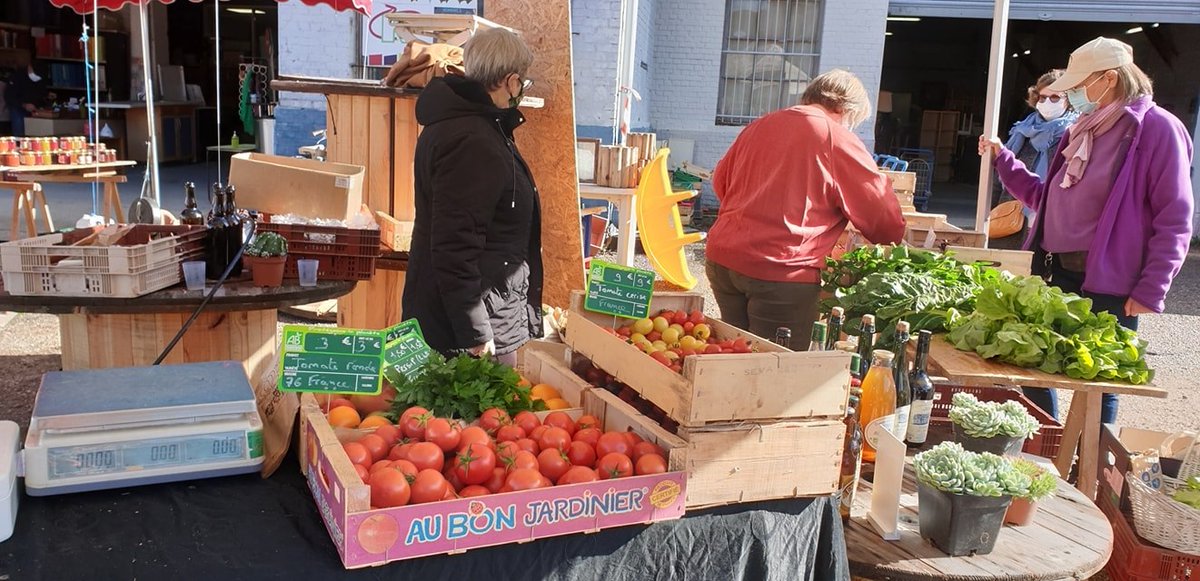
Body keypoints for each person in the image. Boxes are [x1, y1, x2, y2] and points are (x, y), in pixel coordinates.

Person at [980, 37, 1194, 422]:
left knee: (1098, 381)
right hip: (1054, 269)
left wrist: (1152, 288)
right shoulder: (1082, 128)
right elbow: (1048, 196)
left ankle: (1090, 466)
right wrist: (1004, 160)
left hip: (1109, 283)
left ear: (1109, 78)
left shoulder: (1158, 129)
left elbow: (1175, 216)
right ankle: (1050, 445)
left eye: (1079, 86)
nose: (1073, 95)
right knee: (1032, 364)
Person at [706, 69, 907, 345]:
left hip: (724, 259)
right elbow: (884, 223)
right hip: (781, 270)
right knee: (778, 370)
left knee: (732, 356)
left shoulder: (761, 124)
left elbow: (720, 182)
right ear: (846, 110)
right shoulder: (834, 136)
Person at [401, 28, 543, 366]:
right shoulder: (472, 141)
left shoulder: (474, 126)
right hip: (469, 326)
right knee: (474, 417)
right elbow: (455, 244)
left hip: (482, 309)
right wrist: (476, 333)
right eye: (523, 82)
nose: (522, 89)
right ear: (510, 81)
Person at [990, 70, 1077, 250]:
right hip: (1012, 219)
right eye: (1043, 97)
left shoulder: (1076, 136)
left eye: (1055, 97)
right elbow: (1000, 177)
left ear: (1069, 101)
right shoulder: (1022, 132)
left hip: (1052, 221)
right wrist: (989, 213)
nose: (1047, 102)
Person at [4, 64, 48, 137]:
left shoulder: (39, 78)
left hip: (36, 107)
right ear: (29, 68)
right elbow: (9, 97)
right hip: (19, 106)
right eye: (35, 74)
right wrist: (24, 105)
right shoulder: (16, 77)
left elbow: (42, 92)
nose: (36, 77)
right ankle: (19, 141)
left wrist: (46, 96)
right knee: (18, 118)